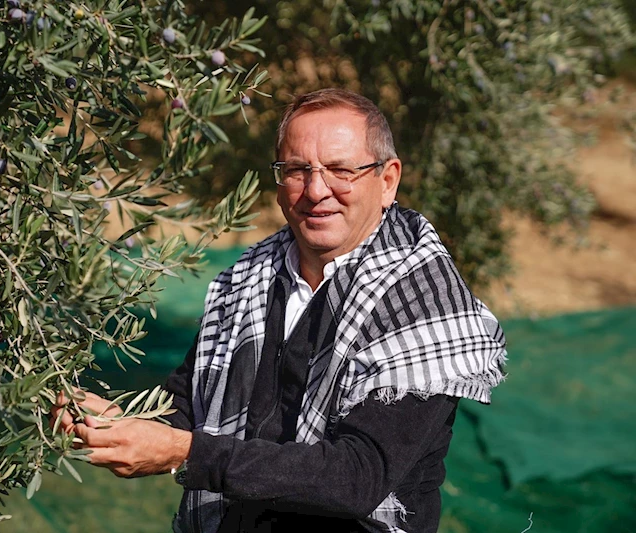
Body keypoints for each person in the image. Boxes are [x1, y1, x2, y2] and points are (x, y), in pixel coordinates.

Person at [51, 89, 507, 533]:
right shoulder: (246, 280)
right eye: (296, 170)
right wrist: (116, 422)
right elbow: (189, 404)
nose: (315, 190)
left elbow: (356, 477)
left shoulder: (424, 308)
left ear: (387, 181)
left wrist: (185, 454)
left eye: (340, 170)